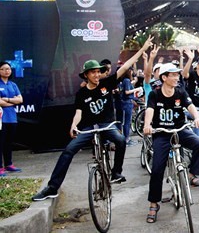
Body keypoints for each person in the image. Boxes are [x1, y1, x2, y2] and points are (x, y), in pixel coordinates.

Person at [32, 36, 153, 201]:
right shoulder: (82, 93)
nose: (97, 75)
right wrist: (73, 126)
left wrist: (143, 48)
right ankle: (52, 188)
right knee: (68, 151)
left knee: (121, 140)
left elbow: (126, 65)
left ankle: (116, 172)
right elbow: (79, 112)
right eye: (93, 72)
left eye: (98, 71)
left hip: (108, 124)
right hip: (88, 128)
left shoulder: (107, 83)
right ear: (86, 75)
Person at [142, 63, 199, 223]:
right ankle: (153, 204)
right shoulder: (155, 94)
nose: (177, 77)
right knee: (157, 168)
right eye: (173, 75)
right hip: (162, 133)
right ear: (164, 77)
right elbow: (150, 110)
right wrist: (147, 125)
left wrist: (197, 117)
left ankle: (192, 175)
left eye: (177, 75)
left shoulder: (180, 91)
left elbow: (190, 105)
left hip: (180, 129)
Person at [0, 61, 23, 176]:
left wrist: (7, 100)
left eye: (8, 69)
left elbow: (20, 100)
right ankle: (0, 168)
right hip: (1, 119)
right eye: (3, 69)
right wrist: (12, 101)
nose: (6, 71)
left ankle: (8, 164)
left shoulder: (13, 84)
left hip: (11, 118)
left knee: (9, 143)